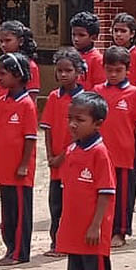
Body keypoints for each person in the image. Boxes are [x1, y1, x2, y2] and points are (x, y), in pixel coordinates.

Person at [56, 91, 117, 270]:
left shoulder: (99, 153)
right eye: (70, 118)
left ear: (97, 123)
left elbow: (105, 192)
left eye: (79, 120)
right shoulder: (71, 150)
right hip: (73, 227)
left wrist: (96, 225)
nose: (72, 124)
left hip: (93, 230)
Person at [97, 46, 136, 247]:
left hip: (124, 153)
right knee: (101, 193)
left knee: (123, 195)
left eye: (118, 70)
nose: (113, 74)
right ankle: (102, 227)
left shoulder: (133, 94)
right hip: (101, 155)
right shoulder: (97, 91)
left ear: (127, 70)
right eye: (109, 69)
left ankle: (120, 232)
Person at [0, 53, 39, 266]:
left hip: (19, 167)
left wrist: (24, 164)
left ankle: (19, 251)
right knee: (7, 210)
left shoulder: (27, 104)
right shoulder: (1, 101)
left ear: (18, 76)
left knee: (19, 211)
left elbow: (30, 138)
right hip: (3, 165)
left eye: (4, 74)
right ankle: (9, 248)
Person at [39, 48, 86, 258]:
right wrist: (51, 155)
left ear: (78, 72)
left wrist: (62, 157)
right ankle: (55, 241)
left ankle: (70, 242)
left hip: (73, 161)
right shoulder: (53, 97)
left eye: (68, 70)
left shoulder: (84, 100)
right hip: (56, 164)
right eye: (60, 71)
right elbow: (47, 128)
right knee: (55, 204)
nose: (63, 74)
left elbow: (82, 135)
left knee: (73, 205)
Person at [0, 20, 41, 100]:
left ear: (20, 41)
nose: (3, 45)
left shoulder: (30, 66)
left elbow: (32, 97)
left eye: (8, 40)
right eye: (1, 41)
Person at [112, 13, 136, 94]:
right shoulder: (110, 54)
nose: (118, 34)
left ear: (132, 34)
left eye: (123, 31)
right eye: (116, 30)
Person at [70, 11, 106, 88]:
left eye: (81, 35)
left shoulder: (98, 59)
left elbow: (99, 87)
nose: (76, 39)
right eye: (73, 34)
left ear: (94, 37)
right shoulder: (69, 56)